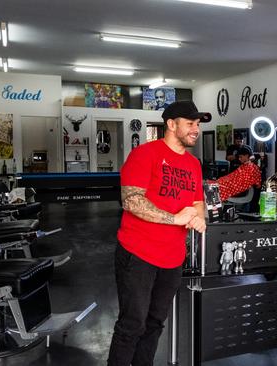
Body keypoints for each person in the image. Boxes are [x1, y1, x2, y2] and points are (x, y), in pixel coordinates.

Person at [108, 101, 211, 366]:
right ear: (171, 124)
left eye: (197, 125)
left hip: (173, 258)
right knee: (132, 324)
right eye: (190, 124)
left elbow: (198, 202)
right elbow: (131, 200)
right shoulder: (144, 154)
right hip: (138, 254)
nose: (195, 130)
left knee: (155, 323)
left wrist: (199, 217)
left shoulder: (193, 164)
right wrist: (174, 218)